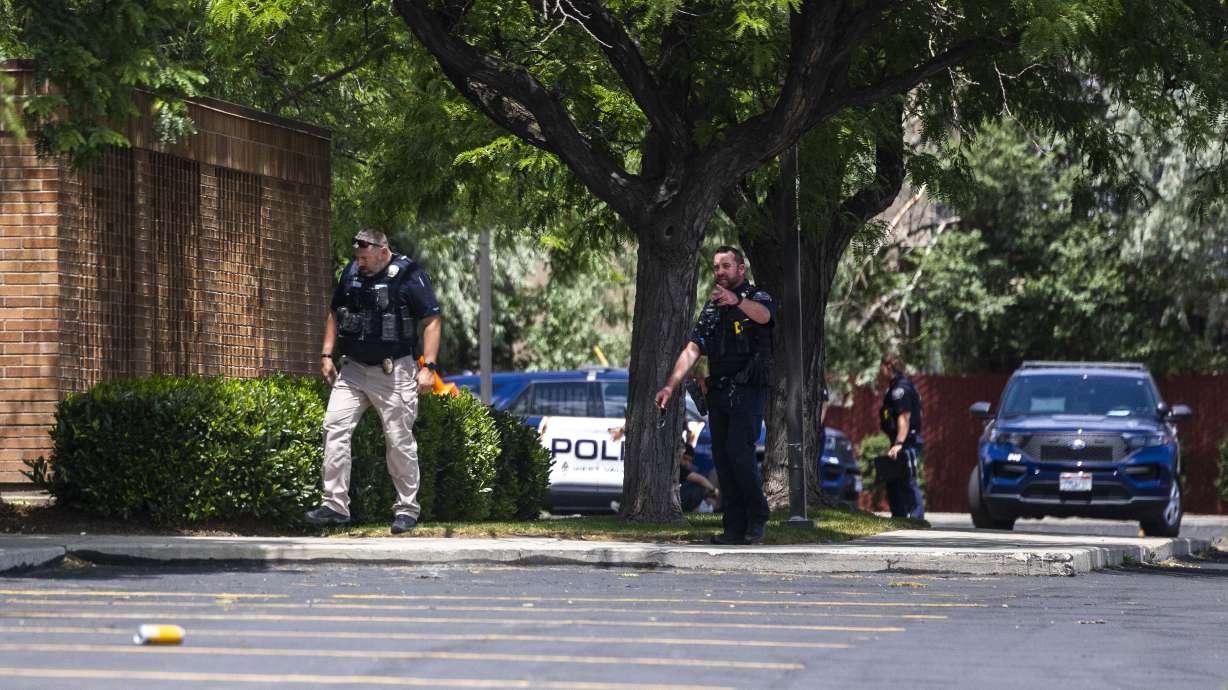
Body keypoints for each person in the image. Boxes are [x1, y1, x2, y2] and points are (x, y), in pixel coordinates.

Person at [304, 229, 442, 534]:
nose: (359, 263)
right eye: (357, 257)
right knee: (334, 427)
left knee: (398, 440)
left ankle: (407, 509)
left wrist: (428, 366)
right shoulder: (350, 273)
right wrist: (327, 353)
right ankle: (335, 506)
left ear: (383, 251)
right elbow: (334, 313)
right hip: (352, 369)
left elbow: (431, 320)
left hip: (393, 371)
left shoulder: (409, 275)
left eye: (364, 257)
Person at [656, 245, 775, 545]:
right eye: (716, 267)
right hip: (719, 392)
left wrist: (736, 301)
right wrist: (671, 385)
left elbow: (764, 317)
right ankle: (733, 527)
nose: (720, 272)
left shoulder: (757, 297)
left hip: (748, 391)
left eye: (726, 266)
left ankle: (757, 517)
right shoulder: (712, 307)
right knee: (723, 460)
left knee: (739, 452)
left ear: (740, 269)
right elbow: (694, 348)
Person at [877, 354, 925, 520]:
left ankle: (917, 518)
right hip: (900, 441)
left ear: (888, 366)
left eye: (881, 367)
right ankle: (900, 518)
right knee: (894, 482)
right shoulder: (895, 387)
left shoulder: (900, 390)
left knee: (908, 481)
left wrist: (899, 443)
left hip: (906, 442)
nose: (880, 371)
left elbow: (904, 417)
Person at [678, 442, 719, 513]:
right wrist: (714, 490)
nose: (687, 463)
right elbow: (698, 479)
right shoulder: (678, 468)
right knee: (699, 487)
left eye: (690, 461)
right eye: (685, 459)